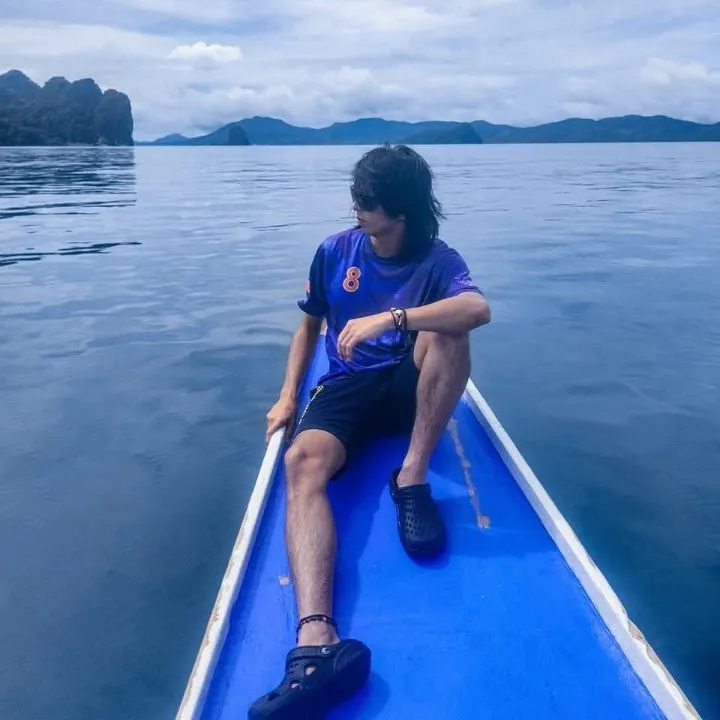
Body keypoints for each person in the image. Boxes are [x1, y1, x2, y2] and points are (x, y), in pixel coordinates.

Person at [249, 144, 491, 719]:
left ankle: (411, 477)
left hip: (409, 383)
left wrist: (393, 317)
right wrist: (287, 396)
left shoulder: (437, 259)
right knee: (302, 463)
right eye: (356, 195)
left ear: (399, 211)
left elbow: (477, 309)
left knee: (450, 330)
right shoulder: (335, 251)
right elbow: (308, 326)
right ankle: (317, 641)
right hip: (348, 383)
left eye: (367, 199)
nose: (355, 206)